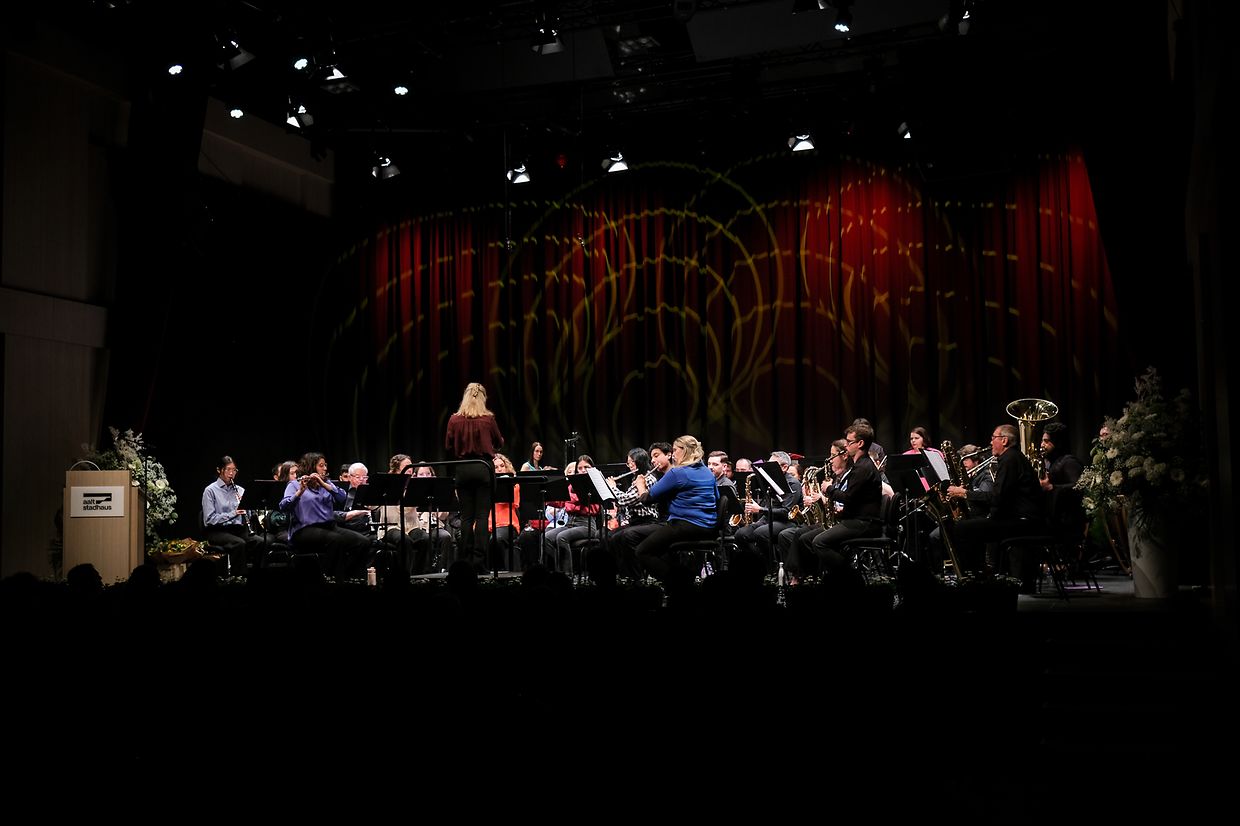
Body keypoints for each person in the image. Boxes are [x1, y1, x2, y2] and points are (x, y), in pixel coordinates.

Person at [945, 423, 1045, 590]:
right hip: (1019, 519)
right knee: (970, 526)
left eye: (993, 438)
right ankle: (980, 575)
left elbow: (997, 498)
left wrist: (964, 493)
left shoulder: (1009, 460)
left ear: (1004, 440)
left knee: (962, 528)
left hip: (1022, 522)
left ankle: (974, 579)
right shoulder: (1012, 458)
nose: (991, 442)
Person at [632, 434, 719, 591]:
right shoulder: (707, 472)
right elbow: (717, 499)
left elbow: (647, 499)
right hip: (709, 527)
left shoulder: (677, 473)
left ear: (684, 451)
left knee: (643, 552)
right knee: (663, 549)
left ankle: (680, 584)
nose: (673, 454)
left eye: (675, 450)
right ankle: (682, 579)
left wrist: (640, 485)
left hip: (686, 525)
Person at [278, 452, 372, 580]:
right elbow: (283, 506)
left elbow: (342, 498)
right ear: (311, 467)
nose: (325, 468)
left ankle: (351, 577)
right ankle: (329, 577)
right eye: (321, 465)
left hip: (329, 526)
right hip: (304, 529)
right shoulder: (294, 485)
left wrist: (324, 484)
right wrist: (299, 492)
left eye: (325, 465)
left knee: (363, 542)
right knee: (336, 540)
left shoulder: (326, 483)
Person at [808, 423, 884, 577]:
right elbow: (857, 499)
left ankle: (851, 578)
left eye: (849, 442)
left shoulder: (863, 468)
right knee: (816, 538)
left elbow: (848, 498)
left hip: (864, 524)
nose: (846, 446)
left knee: (819, 542)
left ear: (860, 443)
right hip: (859, 520)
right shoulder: (861, 465)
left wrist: (829, 489)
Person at [444, 382, 505, 575]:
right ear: (483, 398)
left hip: (463, 470)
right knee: (481, 517)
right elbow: (499, 442)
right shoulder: (488, 419)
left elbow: (448, 445)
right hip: (483, 468)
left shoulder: (454, 419)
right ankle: (479, 562)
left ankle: (465, 561)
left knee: (466, 517)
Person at [200, 455, 262, 577]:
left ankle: (255, 575)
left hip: (237, 529)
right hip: (217, 530)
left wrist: (249, 508)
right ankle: (238, 578)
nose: (231, 473)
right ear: (219, 470)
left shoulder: (240, 490)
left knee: (259, 542)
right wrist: (233, 513)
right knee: (239, 544)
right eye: (228, 469)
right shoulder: (210, 490)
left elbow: (248, 513)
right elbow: (209, 519)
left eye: (234, 470)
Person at [489, 452, 522, 570]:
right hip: (489, 524)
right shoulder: (487, 485)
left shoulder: (514, 484)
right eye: (496, 467)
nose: (500, 469)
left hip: (507, 524)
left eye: (502, 466)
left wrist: (504, 484)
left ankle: (500, 571)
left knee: (496, 539)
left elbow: (515, 502)